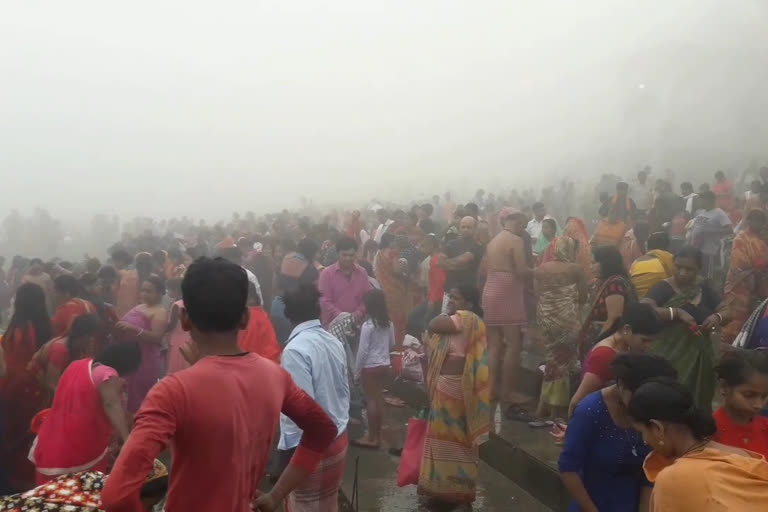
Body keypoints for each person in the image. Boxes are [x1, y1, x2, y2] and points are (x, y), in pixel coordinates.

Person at [101, 258, 338, 512]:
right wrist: (275, 494)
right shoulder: (274, 376)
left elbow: (116, 495)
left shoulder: (172, 392)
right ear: (245, 317)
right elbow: (323, 430)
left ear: (184, 319)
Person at [629, 377, 768, 511]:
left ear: (657, 428)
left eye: (642, 432)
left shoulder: (674, 479)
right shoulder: (744, 456)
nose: (645, 440)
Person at [560, 353, 677, 512]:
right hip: (592, 503)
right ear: (622, 384)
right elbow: (569, 468)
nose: (645, 404)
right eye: (639, 397)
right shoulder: (590, 412)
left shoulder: (651, 410)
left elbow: (650, 472)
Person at [279, 283, 350, 512]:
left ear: (288, 315)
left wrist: (288, 458)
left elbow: (300, 412)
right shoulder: (332, 340)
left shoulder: (295, 350)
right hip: (338, 439)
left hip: (312, 448)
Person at [30, 341, 142, 484]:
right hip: (79, 451)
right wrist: (127, 441)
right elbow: (111, 405)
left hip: (50, 442)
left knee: (48, 499)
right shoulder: (108, 374)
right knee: (78, 498)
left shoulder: (77, 365)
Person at [419, 284, 490, 505]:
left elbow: (433, 324)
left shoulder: (466, 318)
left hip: (454, 390)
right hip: (448, 389)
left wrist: (443, 315)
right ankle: (446, 489)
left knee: (453, 439)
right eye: (450, 296)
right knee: (449, 439)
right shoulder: (461, 320)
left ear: (469, 302)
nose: (451, 301)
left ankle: (451, 489)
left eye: (456, 298)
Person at [643, 246, 730, 409]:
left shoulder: (704, 288)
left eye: (689, 269)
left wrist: (716, 317)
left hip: (699, 359)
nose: (682, 272)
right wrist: (675, 312)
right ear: (673, 264)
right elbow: (645, 310)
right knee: (665, 400)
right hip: (666, 357)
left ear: (698, 269)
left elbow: (727, 311)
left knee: (695, 401)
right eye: (678, 267)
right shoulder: (662, 288)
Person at [568, 303, 663, 418]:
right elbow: (577, 401)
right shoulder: (605, 355)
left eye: (651, 341)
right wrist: (572, 432)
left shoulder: (624, 347)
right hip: (599, 420)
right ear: (627, 329)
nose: (648, 346)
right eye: (644, 340)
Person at [0, 283, 52, 491]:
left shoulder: (22, 326)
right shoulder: (43, 324)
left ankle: (15, 480)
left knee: (16, 433)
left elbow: (23, 358)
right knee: (28, 432)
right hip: (31, 387)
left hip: (16, 386)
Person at [482, 209, 531, 413]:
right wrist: (541, 271)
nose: (524, 228)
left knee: (494, 344)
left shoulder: (494, 240)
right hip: (507, 290)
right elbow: (521, 270)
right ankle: (508, 392)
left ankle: (491, 389)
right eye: (523, 224)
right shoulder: (515, 240)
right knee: (513, 344)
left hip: (491, 288)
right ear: (514, 221)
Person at [534, 236, 587, 419]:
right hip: (566, 320)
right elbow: (583, 297)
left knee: (552, 359)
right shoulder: (576, 269)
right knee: (563, 361)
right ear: (571, 249)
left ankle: (542, 407)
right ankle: (556, 411)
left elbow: (537, 293)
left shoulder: (541, 269)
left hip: (545, 318)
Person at [113, 274, 169, 413]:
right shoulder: (139, 307)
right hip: (129, 356)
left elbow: (157, 338)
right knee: (125, 393)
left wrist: (135, 330)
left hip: (145, 360)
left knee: (138, 397)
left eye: (149, 291)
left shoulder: (160, 312)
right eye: (143, 290)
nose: (144, 294)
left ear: (160, 293)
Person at [352, 289, 394, 449]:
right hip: (384, 365)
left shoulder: (367, 326)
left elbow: (362, 352)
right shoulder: (388, 323)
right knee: (378, 399)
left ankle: (371, 437)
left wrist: (356, 373)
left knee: (370, 401)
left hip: (370, 366)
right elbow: (391, 344)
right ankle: (378, 435)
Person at [578, 246, 635, 358]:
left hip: (605, 341)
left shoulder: (615, 284)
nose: (591, 267)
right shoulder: (608, 280)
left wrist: (597, 345)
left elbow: (614, 319)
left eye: (594, 263)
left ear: (606, 263)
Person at [721, 209, 768, 344]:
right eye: (755, 220)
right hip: (739, 286)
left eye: (761, 221)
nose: (758, 224)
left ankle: (746, 345)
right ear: (748, 221)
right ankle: (728, 349)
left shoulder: (763, 240)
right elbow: (739, 263)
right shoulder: (741, 238)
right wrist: (761, 265)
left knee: (754, 317)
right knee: (735, 317)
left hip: (759, 286)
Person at [712, 349, 768, 458]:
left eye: (764, 397)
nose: (759, 405)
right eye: (749, 395)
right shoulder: (706, 433)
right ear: (724, 387)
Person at [34, 313, 102, 393]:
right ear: (85, 335)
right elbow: (51, 384)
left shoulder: (81, 349)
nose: (93, 340)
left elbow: (87, 374)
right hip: (38, 392)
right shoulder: (60, 350)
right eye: (92, 336)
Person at [318, 237, 373, 328]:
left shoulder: (362, 272)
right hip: (333, 327)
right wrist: (342, 316)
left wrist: (358, 314)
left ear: (356, 254)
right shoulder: (326, 274)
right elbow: (324, 301)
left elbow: (368, 297)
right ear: (337, 254)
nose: (348, 258)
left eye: (351, 255)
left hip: (357, 325)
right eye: (344, 255)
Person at [690, 190, 733, 279]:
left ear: (709, 200)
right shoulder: (700, 212)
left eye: (701, 199)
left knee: (708, 277)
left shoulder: (719, 212)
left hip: (710, 251)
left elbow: (730, 229)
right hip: (697, 250)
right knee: (698, 275)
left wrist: (711, 232)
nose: (699, 202)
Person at [629, 231, 675, 298]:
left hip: (638, 301)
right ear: (667, 247)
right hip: (659, 301)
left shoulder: (636, 262)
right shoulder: (668, 257)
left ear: (647, 247)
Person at [593, 182, 636, 247]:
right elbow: (601, 211)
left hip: (624, 229)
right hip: (611, 229)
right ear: (617, 190)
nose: (622, 192)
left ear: (627, 191)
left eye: (624, 190)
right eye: (620, 190)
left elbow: (634, 215)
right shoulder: (610, 200)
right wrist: (609, 216)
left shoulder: (630, 201)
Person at [115, 251, 153, 318]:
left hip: (146, 317)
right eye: (141, 264)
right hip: (125, 316)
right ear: (137, 265)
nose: (144, 267)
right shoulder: (122, 275)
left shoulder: (154, 280)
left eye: (147, 264)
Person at [164, 278, 190, 375]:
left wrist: (159, 331)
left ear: (175, 290)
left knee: (174, 367)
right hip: (188, 338)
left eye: (169, 289)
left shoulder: (176, 305)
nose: (168, 292)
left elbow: (171, 325)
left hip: (176, 340)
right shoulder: (190, 302)